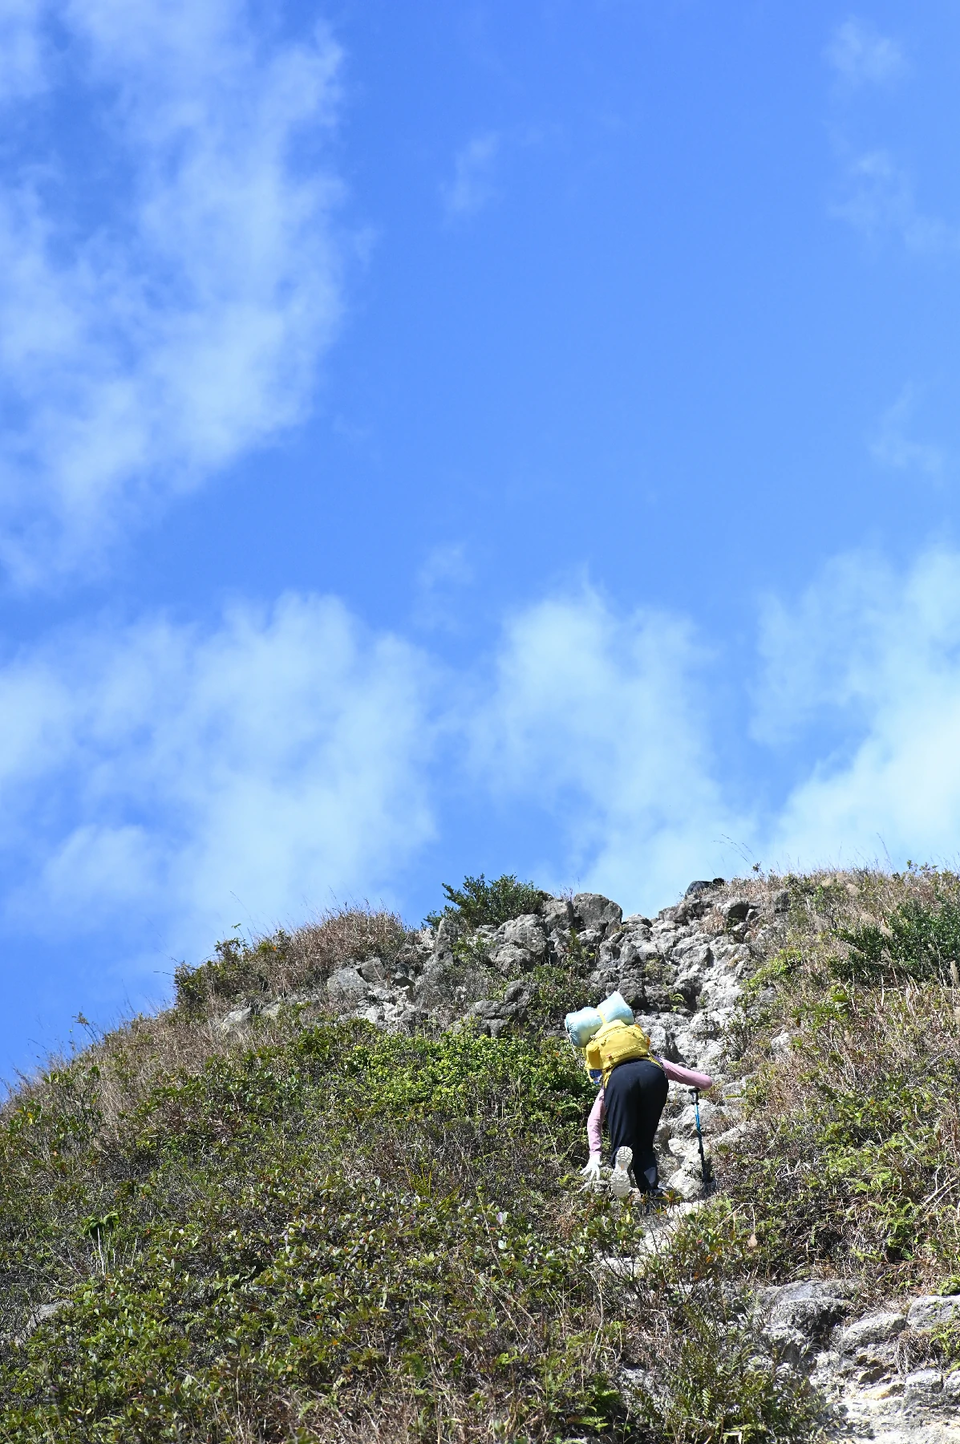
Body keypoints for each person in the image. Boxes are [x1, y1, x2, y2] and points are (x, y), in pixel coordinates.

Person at [566, 995, 713, 1194]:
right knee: (645, 1141)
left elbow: (594, 1120)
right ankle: (650, 1190)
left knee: (623, 1140)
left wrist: (595, 1154)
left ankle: (621, 1167)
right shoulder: (652, 1059)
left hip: (620, 1082)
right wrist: (702, 1086)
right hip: (653, 1076)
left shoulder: (610, 1074)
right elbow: (705, 1081)